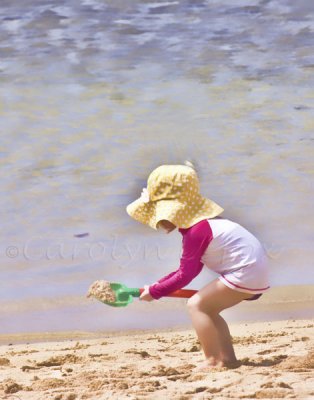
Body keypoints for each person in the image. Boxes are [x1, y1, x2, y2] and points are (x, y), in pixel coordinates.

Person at [126, 162, 270, 370]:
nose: (158, 223)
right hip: (254, 271)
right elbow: (186, 270)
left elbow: (186, 275)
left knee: (197, 305)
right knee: (209, 310)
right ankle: (227, 359)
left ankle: (212, 360)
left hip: (244, 272)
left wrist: (156, 292)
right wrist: (157, 285)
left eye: (159, 216)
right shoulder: (205, 225)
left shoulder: (197, 233)